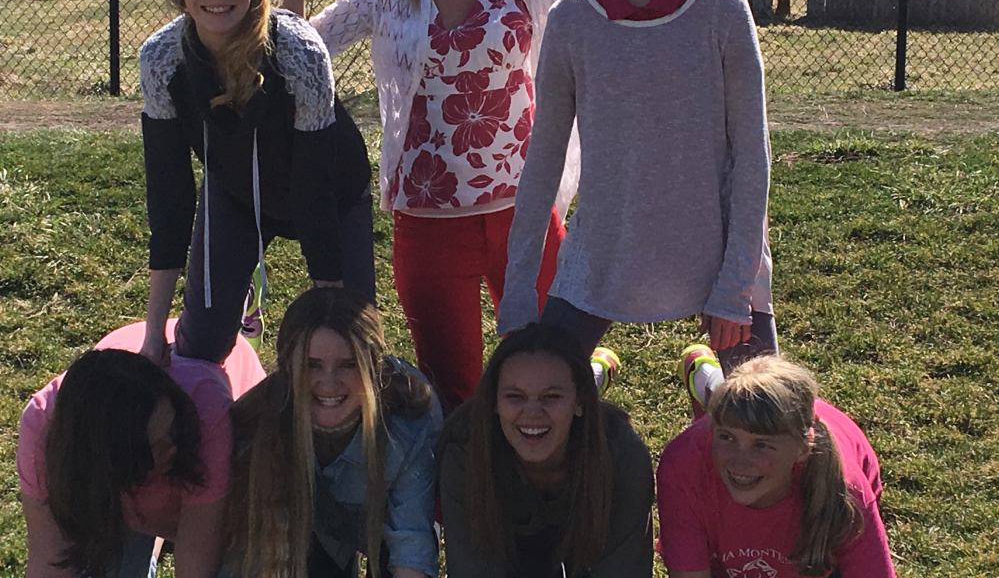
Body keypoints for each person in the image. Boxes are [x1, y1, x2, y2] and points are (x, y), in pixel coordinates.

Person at [272, 0, 580, 408]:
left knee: (547, 373)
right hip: (427, 219)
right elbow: (298, 55)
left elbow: (599, 46)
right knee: (453, 392)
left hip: (524, 215)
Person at [500, 0, 776, 373]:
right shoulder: (572, 19)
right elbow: (543, 160)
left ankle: (707, 383)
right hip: (603, 254)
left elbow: (752, 157)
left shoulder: (722, 10)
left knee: (764, 405)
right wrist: (518, 290)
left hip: (717, 254)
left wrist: (736, 284)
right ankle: (594, 377)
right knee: (539, 388)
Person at [138, 0, 374, 367]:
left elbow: (314, 188)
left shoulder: (299, 52)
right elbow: (169, 198)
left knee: (351, 345)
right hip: (237, 194)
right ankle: (231, 292)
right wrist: (153, 336)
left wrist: (331, 306)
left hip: (333, 194)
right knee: (201, 345)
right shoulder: (161, 60)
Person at [18, 320, 264, 578]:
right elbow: (50, 562)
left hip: (231, 471)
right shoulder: (43, 428)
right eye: (156, 446)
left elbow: (197, 564)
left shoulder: (205, 413)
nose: (172, 449)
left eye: (172, 432)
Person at [227, 286, 443, 578]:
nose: (329, 384)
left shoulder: (408, 425)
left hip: (385, 524)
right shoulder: (254, 425)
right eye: (312, 365)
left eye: (348, 365)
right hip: (307, 528)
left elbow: (411, 547)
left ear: (373, 368)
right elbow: (236, 556)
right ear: (287, 368)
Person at [438, 323, 654, 577]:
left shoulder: (623, 456)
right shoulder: (465, 450)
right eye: (515, 396)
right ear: (494, 401)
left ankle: (597, 372)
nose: (532, 413)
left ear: (581, 401)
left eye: (551, 397)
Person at [657, 355, 897, 577]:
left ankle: (711, 386)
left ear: (803, 449)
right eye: (726, 437)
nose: (739, 462)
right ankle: (708, 382)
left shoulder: (844, 490)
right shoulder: (684, 465)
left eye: (761, 445)